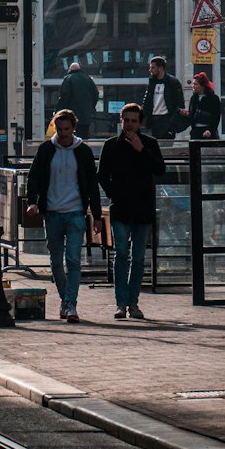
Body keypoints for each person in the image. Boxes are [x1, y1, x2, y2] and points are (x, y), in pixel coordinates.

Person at [25, 109, 102, 324]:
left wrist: (96, 215)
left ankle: (71, 303)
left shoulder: (83, 151)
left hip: (76, 211)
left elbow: (92, 184)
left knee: (73, 260)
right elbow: (35, 177)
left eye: (67, 129)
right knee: (56, 262)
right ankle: (64, 299)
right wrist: (33, 201)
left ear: (74, 128)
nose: (63, 133)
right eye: (59, 129)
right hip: (52, 212)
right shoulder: (47, 149)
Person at [98, 103, 165, 320]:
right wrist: (113, 194)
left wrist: (141, 150)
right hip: (121, 208)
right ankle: (120, 303)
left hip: (143, 208)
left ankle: (133, 302)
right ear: (121, 121)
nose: (129, 125)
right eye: (126, 120)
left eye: (134, 121)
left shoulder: (150, 144)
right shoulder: (111, 146)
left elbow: (159, 169)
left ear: (141, 123)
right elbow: (101, 175)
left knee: (137, 258)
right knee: (120, 255)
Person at [141, 56, 188, 141]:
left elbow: (180, 104)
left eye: (153, 67)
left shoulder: (173, 82)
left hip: (166, 120)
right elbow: (147, 102)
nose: (150, 70)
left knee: (166, 148)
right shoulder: (152, 83)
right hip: (153, 121)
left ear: (160, 68)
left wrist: (172, 123)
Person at [187, 72, 222, 140]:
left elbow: (216, 117)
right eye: (193, 84)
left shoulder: (214, 99)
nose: (193, 86)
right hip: (196, 132)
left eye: (195, 84)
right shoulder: (193, 98)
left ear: (202, 85)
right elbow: (191, 115)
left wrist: (211, 130)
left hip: (209, 132)